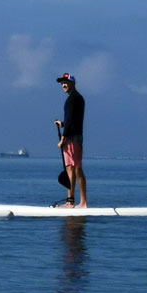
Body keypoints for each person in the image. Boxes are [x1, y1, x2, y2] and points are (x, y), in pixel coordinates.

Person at [54, 73, 88, 208]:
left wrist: (63, 139)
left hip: (71, 138)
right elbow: (72, 121)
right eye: (62, 83)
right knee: (74, 169)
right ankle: (75, 202)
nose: (63, 85)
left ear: (73, 84)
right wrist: (63, 124)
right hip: (75, 136)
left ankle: (77, 202)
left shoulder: (72, 100)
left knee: (74, 169)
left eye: (66, 82)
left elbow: (71, 122)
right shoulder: (78, 99)